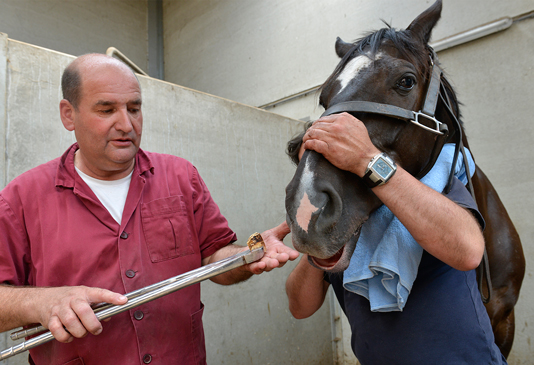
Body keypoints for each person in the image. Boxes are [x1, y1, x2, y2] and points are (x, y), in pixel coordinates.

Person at [0, 53, 299, 365]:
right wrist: (40, 302)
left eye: (134, 109)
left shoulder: (181, 177)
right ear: (68, 114)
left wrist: (249, 255)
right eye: (106, 110)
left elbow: (213, 257)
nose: (126, 124)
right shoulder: (20, 200)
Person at [285, 113, 507, 364]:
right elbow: (300, 307)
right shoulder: (338, 227)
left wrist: (369, 160)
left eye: (333, 158)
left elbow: (469, 251)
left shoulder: (429, 183)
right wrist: (313, 235)